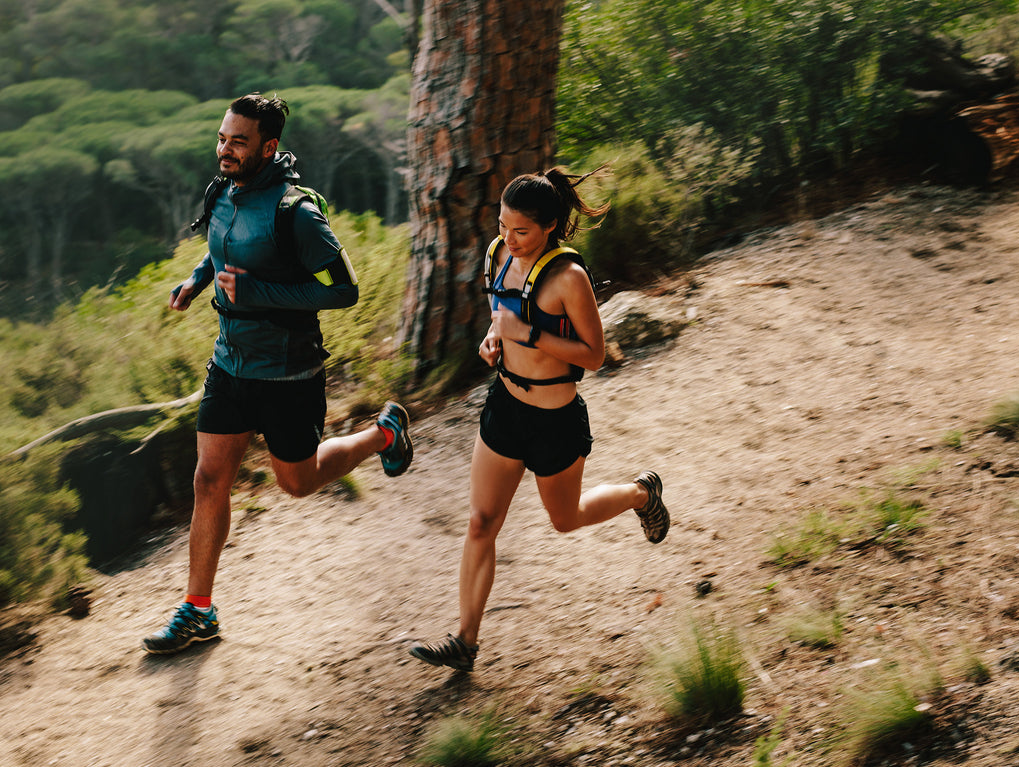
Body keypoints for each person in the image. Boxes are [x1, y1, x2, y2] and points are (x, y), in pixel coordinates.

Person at [142, 93, 413, 655]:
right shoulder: (225, 192)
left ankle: (383, 434)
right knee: (208, 479)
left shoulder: (297, 212)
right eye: (222, 138)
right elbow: (223, 251)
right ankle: (198, 610)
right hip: (229, 365)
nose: (225, 150)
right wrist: (197, 281)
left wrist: (259, 291)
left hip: (289, 375)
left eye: (238, 142)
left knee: (297, 481)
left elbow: (343, 289)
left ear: (270, 146)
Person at [409, 168, 669, 673]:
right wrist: (495, 339)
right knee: (482, 522)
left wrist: (526, 335)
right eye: (503, 225)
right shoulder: (499, 255)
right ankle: (465, 640)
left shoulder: (569, 278)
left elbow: (594, 354)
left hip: (554, 420)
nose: (509, 239)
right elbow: (503, 314)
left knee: (564, 519)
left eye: (521, 231)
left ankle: (642, 493)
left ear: (550, 226)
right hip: (505, 407)